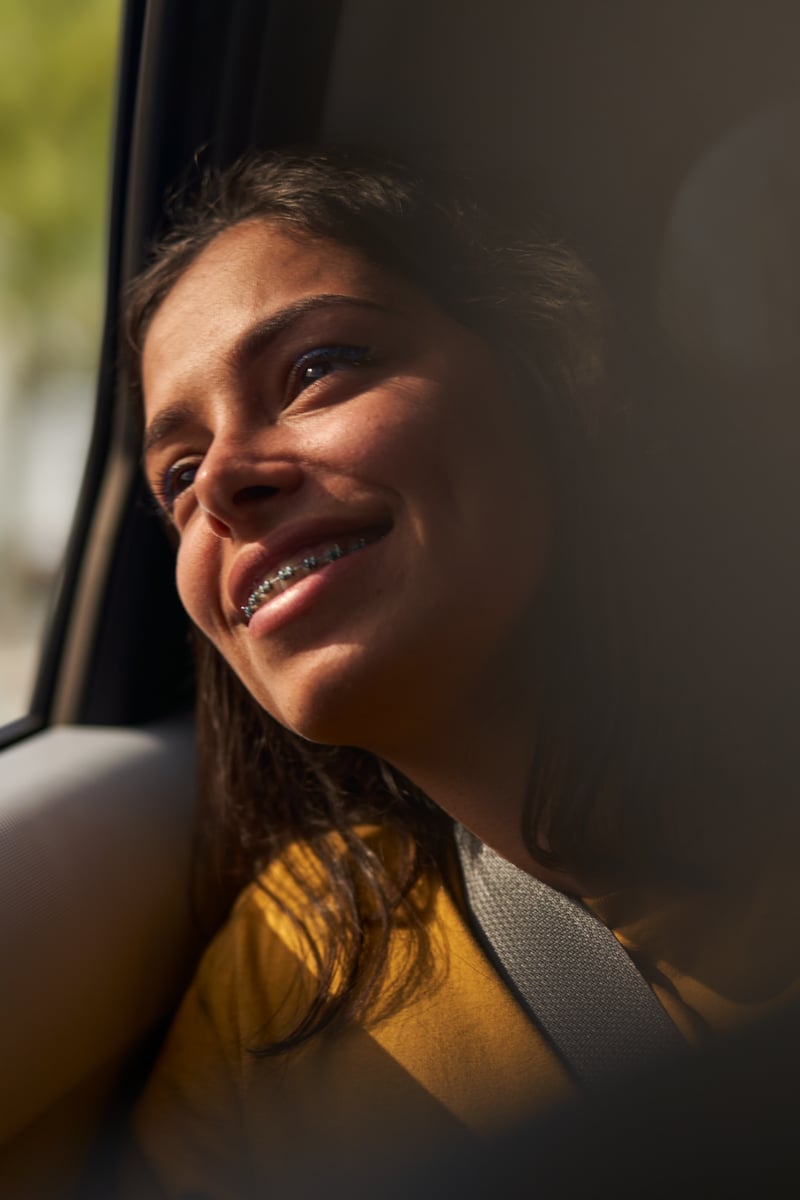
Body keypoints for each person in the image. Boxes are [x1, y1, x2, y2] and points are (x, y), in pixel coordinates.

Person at [120, 149, 800, 1198]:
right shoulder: (295, 947)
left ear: (558, 370)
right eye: (176, 474)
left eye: (315, 369)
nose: (217, 486)